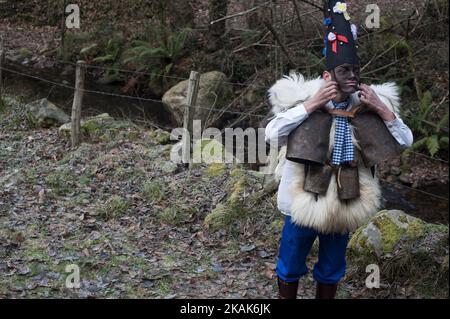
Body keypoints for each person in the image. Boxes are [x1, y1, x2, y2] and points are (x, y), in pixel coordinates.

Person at [265, 0, 414, 299]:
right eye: (343, 71)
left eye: (354, 71)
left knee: (332, 266)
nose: (351, 77)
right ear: (326, 76)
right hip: (301, 202)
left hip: (346, 201)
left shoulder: (368, 104)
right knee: (291, 262)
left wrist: (382, 110)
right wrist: (312, 105)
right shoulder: (302, 101)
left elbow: (406, 141)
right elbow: (272, 135)